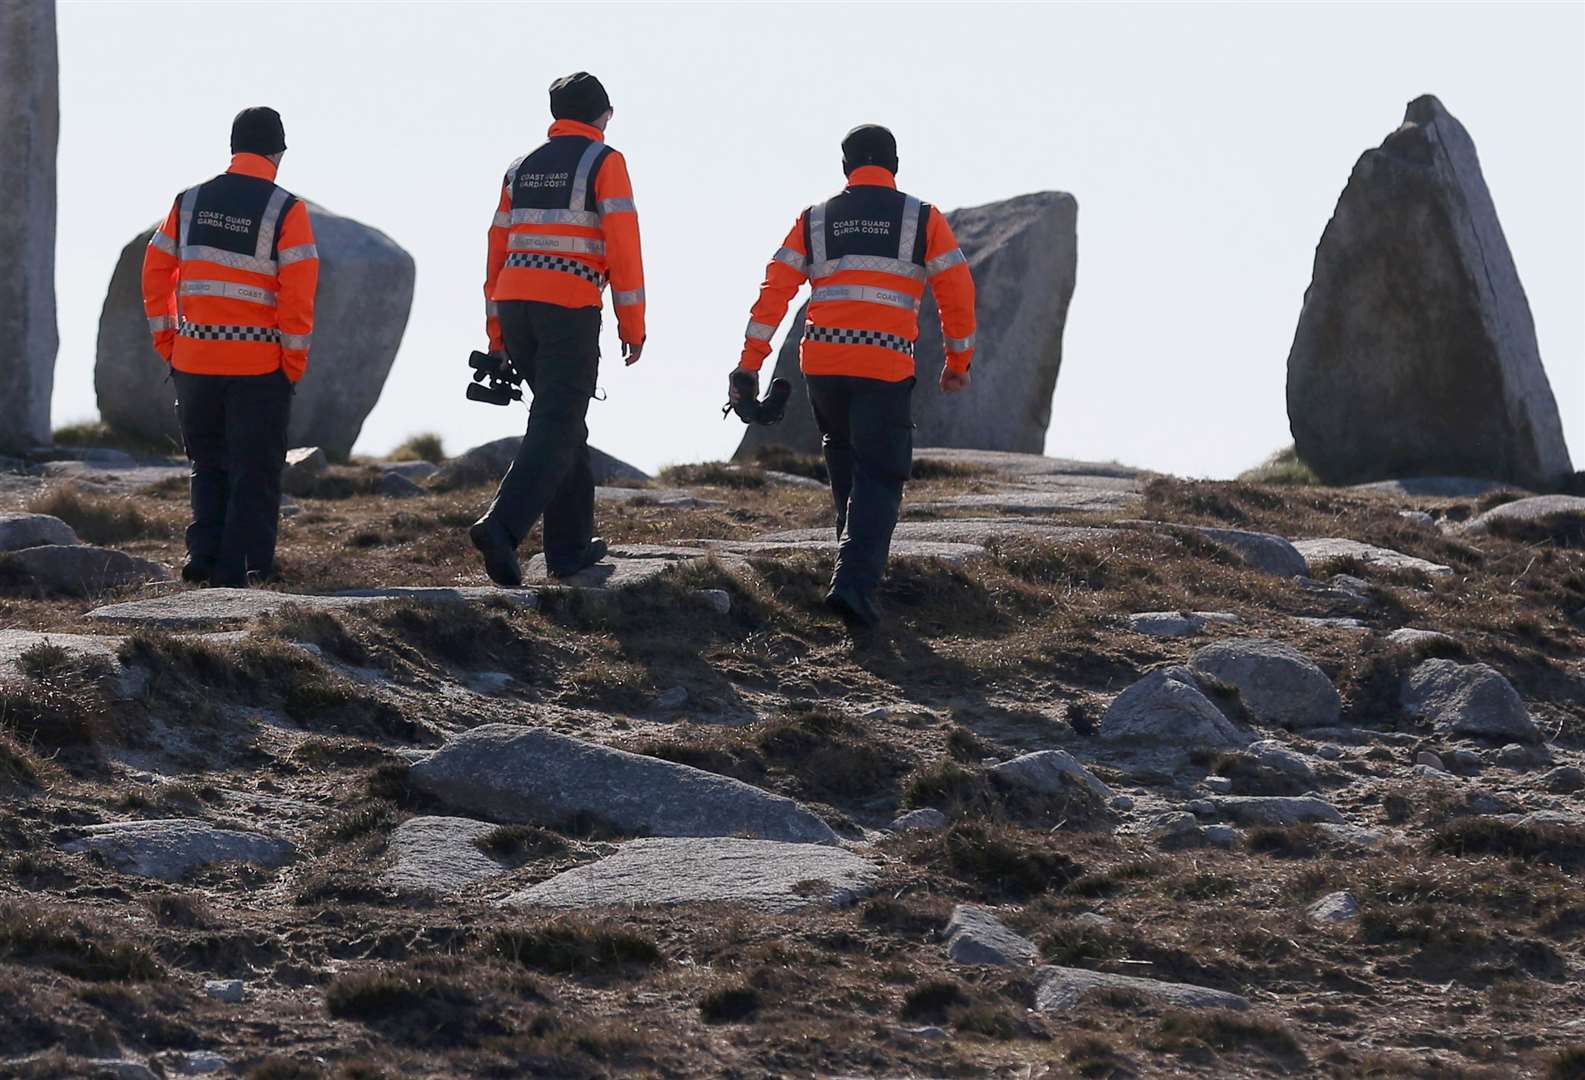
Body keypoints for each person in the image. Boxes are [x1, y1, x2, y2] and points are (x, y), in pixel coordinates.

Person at [732, 124, 977, 627]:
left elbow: (774, 290)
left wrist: (750, 362)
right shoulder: (921, 218)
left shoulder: (815, 219)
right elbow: (957, 292)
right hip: (884, 362)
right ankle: (854, 585)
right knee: (881, 474)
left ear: (845, 168)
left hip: (821, 362)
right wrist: (958, 362)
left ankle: (854, 568)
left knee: (845, 463)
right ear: (895, 165)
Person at [469, 71, 647, 587]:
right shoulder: (605, 161)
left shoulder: (519, 167)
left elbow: (495, 249)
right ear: (603, 114)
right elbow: (623, 245)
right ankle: (501, 527)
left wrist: (496, 332)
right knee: (556, 421)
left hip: (516, 306)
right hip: (567, 306)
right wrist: (631, 323)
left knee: (565, 422)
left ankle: (569, 549)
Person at [141, 106, 318, 588]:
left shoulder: (189, 201)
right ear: (278, 152)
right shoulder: (287, 209)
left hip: (194, 360)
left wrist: (169, 342)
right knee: (255, 472)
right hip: (259, 365)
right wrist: (292, 364)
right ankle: (243, 569)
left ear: (233, 148)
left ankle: (202, 559)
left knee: (209, 463)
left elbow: (155, 272)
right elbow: (297, 296)